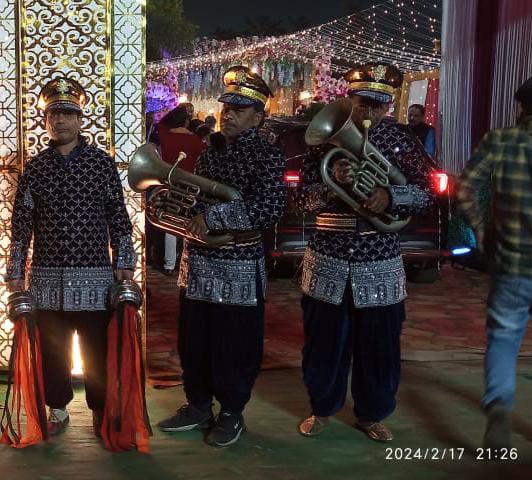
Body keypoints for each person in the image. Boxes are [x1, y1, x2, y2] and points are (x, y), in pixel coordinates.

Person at [296, 63, 434, 442]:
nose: (370, 112)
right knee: (323, 341)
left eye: (378, 104)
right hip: (328, 256)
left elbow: (426, 192)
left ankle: (372, 413)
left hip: (379, 258)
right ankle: (322, 408)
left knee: (380, 345)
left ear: (389, 105)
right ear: (349, 101)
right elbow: (301, 199)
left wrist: (390, 195)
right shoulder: (323, 142)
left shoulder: (403, 140)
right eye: (362, 103)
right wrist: (331, 184)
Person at [157, 65, 286, 447]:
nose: (228, 114)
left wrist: (212, 217)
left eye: (239, 109)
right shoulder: (210, 151)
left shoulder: (267, 154)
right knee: (193, 339)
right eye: (226, 107)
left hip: (239, 265)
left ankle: (232, 412)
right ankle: (198, 404)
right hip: (199, 262)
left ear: (258, 116)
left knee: (235, 342)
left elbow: (270, 207)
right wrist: (175, 204)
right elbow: (196, 198)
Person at [5, 77, 136, 437]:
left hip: (95, 278)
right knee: (52, 351)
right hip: (46, 278)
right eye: (53, 115)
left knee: (96, 350)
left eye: (67, 114)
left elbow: (118, 218)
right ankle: (58, 408)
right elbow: (21, 225)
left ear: (80, 120)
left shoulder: (101, 165)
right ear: (45, 121)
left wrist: (125, 263)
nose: (59, 120)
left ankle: (101, 409)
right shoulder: (36, 168)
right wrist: (15, 271)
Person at [457, 76, 532, 449]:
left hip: (513, 263)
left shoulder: (501, 140)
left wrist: (481, 229)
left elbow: (466, 188)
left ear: (522, 106)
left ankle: (500, 411)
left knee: (504, 339)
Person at [158, 106, 206, 275]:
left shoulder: (165, 136)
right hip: (192, 185)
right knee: (190, 224)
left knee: (170, 225)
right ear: (186, 122)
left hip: (170, 183)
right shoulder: (195, 140)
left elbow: (161, 124)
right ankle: (187, 261)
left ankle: (169, 264)